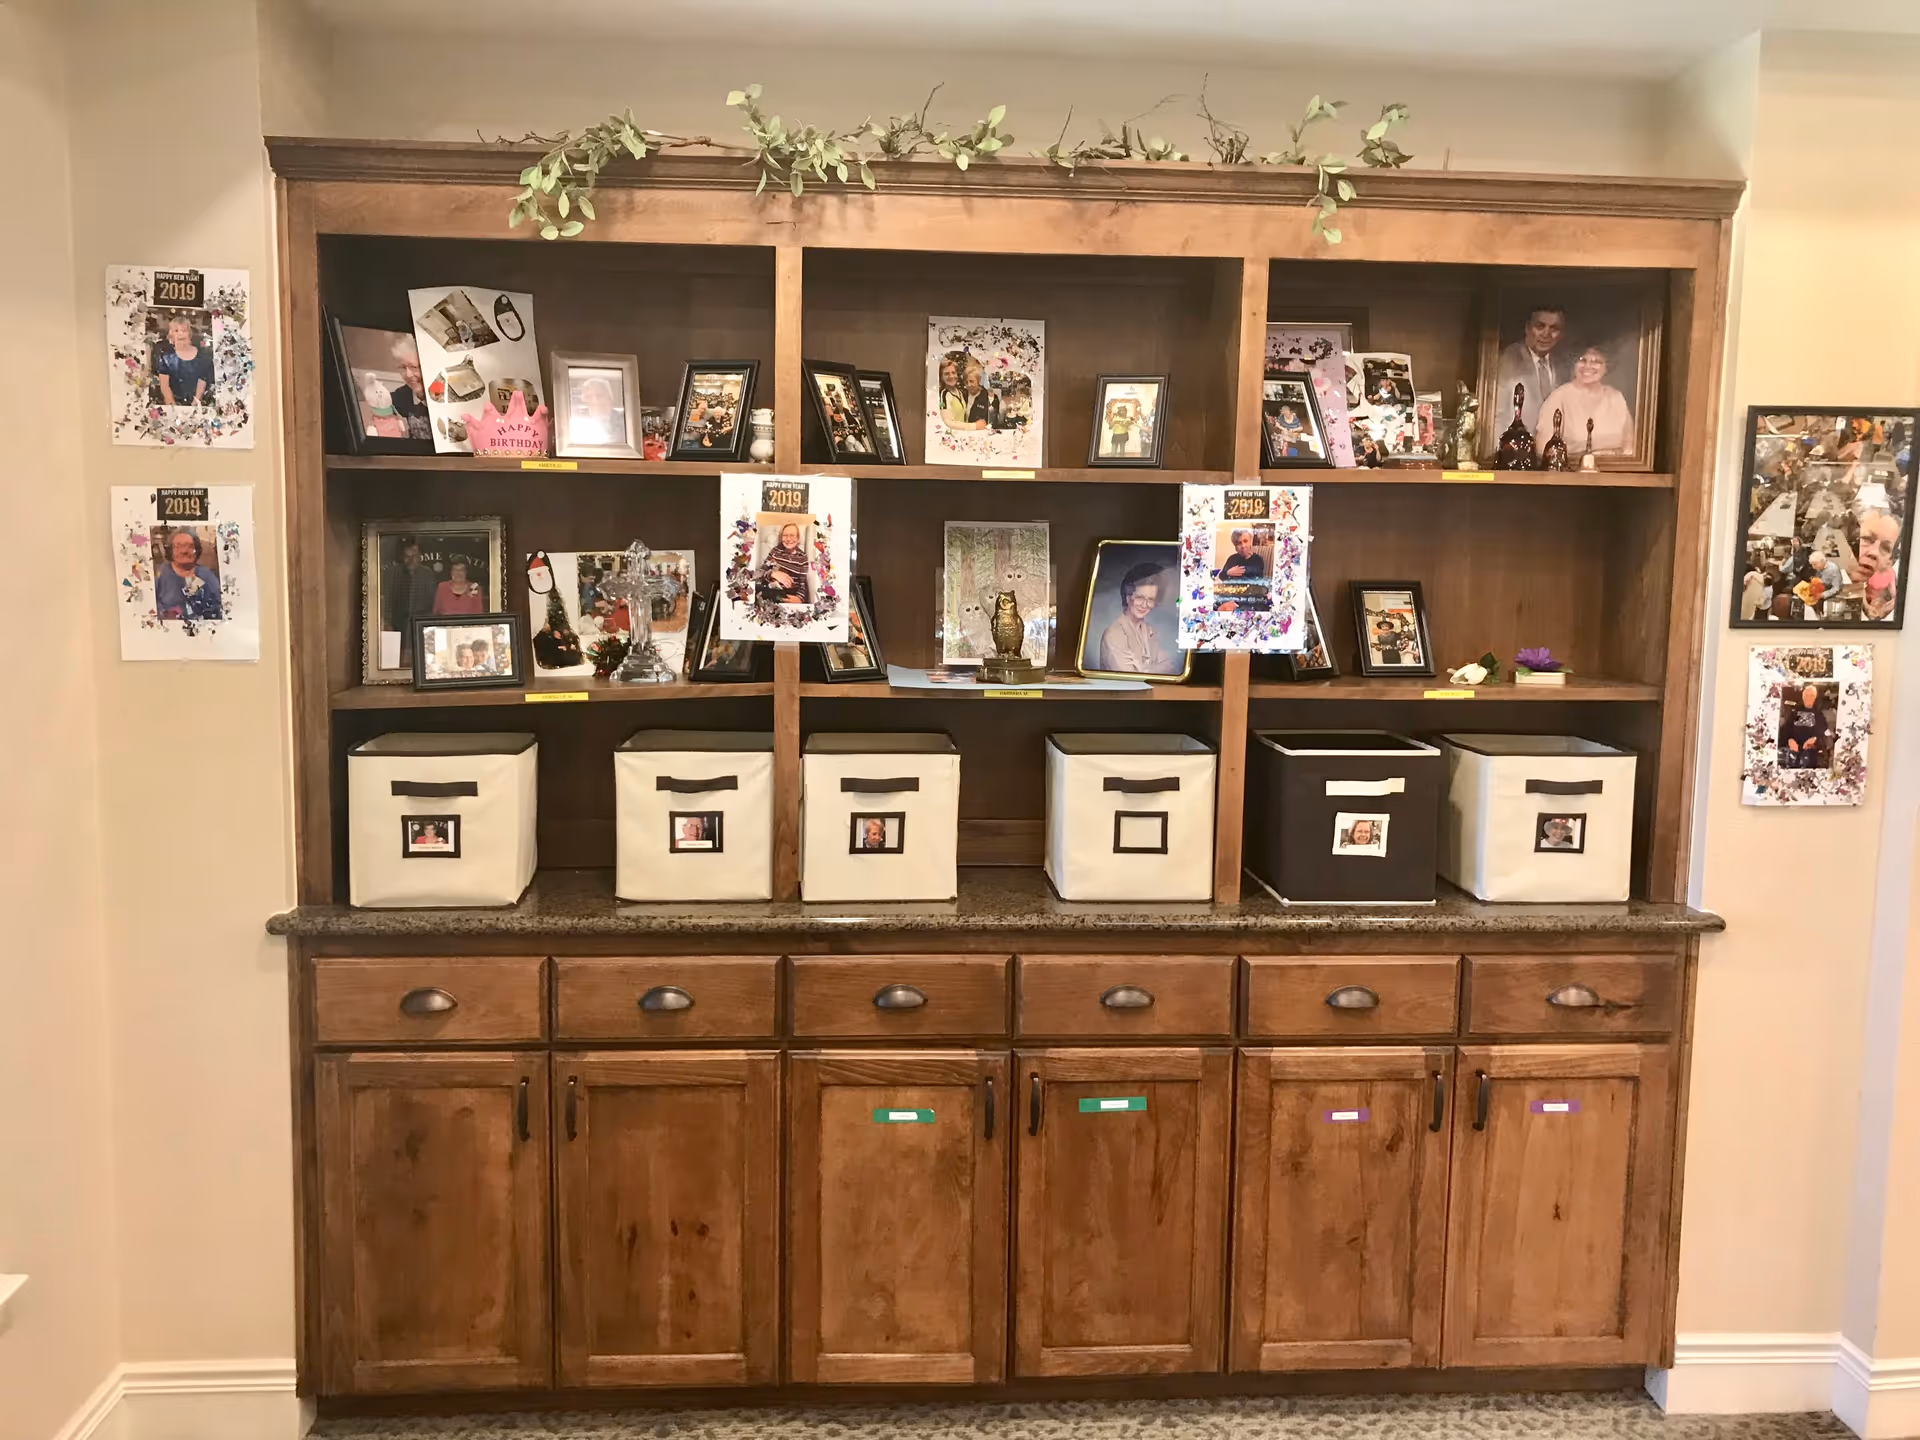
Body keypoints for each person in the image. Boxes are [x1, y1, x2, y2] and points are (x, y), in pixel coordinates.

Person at [1535, 346, 1634, 457]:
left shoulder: (1616, 398)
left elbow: (1629, 446)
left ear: (1607, 367)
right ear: (1573, 364)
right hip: (1572, 472)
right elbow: (1542, 449)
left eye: (1596, 361)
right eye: (1582, 360)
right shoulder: (1558, 398)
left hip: (1615, 471)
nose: (1588, 366)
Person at [1495, 304, 1566, 436]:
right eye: (1540, 326)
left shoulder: (1564, 365)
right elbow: (1496, 417)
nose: (1546, 334)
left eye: (1554, 329)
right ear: (1527, 328)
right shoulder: (1507, 360)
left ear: (1561, 334)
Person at [1098, 562, 1172, 673]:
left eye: (1150, 600)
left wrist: (1142, 669)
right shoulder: (1113, 634)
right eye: (1139, 597)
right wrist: (1153, 669)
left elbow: (1169, 667)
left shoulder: (1150, 631)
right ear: (1128, 596)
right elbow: (1127, 677)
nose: (1144, 605)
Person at [154, 528, 223, 620]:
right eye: (178, 546)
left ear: (197, 550)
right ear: (170, 550)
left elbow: (218, 609)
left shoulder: (206, 575)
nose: (184, 551)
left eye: (189, 546)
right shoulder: (159, 575)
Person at [1852, 507, 1903, 619]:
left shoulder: (1889, 574)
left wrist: (1889, 606)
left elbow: (1894, 594)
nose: (1874, 553)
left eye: (1886, 548)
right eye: (1867, 539)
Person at [153, 315, 214, 407]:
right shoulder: (166, 358)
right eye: (176, 331)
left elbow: (202, 382)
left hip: (197, 404)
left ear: (189, 334)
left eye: (184, 331)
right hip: (173, 404)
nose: (180, 334)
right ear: (171, 335)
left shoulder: (202, 356)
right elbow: (164, 386)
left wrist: (195, 403)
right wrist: (173, 406)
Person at [385, 539, 439, 639]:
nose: (410, 560)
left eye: (414, 556)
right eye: (407, 557)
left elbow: (433, 602)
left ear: (419, 557)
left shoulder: (427, 574)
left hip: (421, 621)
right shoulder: (395, 573)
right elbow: (388, 599)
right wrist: (387, 622)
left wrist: (430, 623)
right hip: (398, 622)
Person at [1779, 683, 1832, 768]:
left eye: (1811, 695)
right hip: (1793, 748)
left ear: (1815, 698)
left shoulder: (1819, 715)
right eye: (1806, 695)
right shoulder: (1794, 712)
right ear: (1803, 697)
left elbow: (1823, 732)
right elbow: (1786, 730)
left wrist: (1815, 740)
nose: (1808, 697)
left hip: (1811, 750)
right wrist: (1790, 740)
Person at [758, 522, 810, 606]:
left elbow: (803, 584)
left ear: (798, 538)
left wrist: (799, 599)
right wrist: (773, 574)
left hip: (789, 594)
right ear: (781, 537)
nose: (788, 539)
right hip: (770, 590)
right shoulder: (775, 551)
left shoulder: (802, 557)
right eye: (785, 535)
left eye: (792, 535)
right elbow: (761, 572)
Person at [571, 376, 623, 447]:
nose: (594, 401)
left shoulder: (621, 419)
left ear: (609, 398)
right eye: (589, 396)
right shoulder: (577, 420)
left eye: (599, 396)